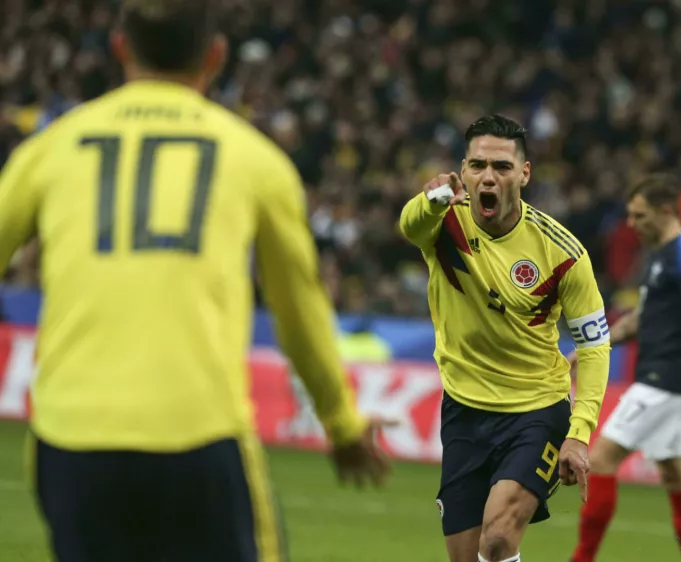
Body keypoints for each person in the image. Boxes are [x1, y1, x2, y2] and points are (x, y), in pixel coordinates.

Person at [0, 1, 391, 561]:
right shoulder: (257, 161)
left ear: (119, 48)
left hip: (70, 440)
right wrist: (342, 424)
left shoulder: (50, 148)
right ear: (216, 56)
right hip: (199, 436)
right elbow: (299, 308)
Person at [399, 114, 611, 562]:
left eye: (501, 167)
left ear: (525, 173)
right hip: (464, 410)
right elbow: (409, 226)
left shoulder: (564, 254)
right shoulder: (444, 223)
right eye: (477, 166)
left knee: (497, 538)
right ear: (464, 170)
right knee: (465, 556)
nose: (488, 177)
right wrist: (430, 199)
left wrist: (580, 433)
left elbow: (594, 346)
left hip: (536, 411)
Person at [569, 174, 681, 562]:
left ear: (666, 211)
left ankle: (581, 558)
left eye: (639, 216)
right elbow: (642, 319)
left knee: (600, 461)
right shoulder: (659, 255)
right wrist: (590, 347)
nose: (631, 224)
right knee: (676, 478)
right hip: (661, 379)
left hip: (664, 380)